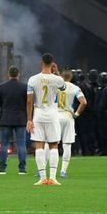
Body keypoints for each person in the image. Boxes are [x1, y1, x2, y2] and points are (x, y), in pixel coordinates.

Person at [26, 53, 66, 186]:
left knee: (39, 146)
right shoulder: (57, 79)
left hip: (38, 114)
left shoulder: (33, 79)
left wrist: (29, 119)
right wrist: (57, 72)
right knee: (54, 145)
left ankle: (42, 178)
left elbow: (29, 101)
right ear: (52, 64)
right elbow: (63, 87)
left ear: (41, 63)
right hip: (53, 114)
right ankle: (53, 178)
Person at [0, 66, 28, 175]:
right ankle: (22, 169)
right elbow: (29, 104)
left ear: (8, 74)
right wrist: (29, 118)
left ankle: (2, 168)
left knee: (4, 145)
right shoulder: (24, 87)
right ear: (18, 74)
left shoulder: (2, 87)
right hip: (21, 119)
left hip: (5, 119)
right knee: (21, 144)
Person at [56, 69, 87, 178]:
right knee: (67, 144)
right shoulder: (75, 88)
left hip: (55, 116)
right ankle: (63, 171)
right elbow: (84, 102)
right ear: (71, 77)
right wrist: (77, 114)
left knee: (51, 144)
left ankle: (44, 170)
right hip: (68, 116)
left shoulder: (55, 86)